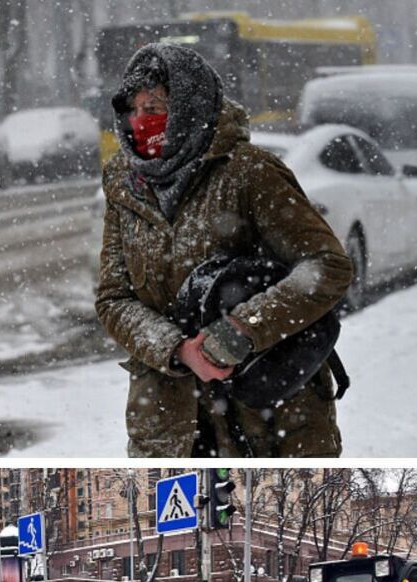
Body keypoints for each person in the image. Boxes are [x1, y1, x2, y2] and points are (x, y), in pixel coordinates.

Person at [95, 42, 352, 457]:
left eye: (156, 108)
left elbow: (326, 267)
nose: (140, 121)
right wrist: (178, 350)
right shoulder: (125, 183)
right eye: (134, 110)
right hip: (169, 423)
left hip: (270, 413)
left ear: (189, 107)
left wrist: (240, 331)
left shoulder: (248, 172)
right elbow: (113, 299)